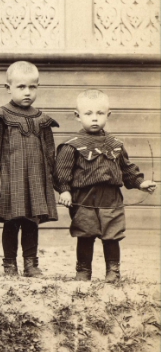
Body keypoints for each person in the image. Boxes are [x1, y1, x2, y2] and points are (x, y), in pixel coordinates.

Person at [54, 89, 156, 283]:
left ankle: (113, 271)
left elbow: (127, 169)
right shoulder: (71, 146)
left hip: (111, 198)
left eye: (100, 113)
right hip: (84, 198)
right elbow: (61, 172)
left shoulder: (115, 144)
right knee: (85, 233)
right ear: (77, 116)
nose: (94, 118)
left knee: (112, 235)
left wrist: (140, 183)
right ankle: (83, 270)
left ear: (108, 114)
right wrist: (64, 190)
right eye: (88, 113)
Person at [0, 61, 59, 277]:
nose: (27, 92)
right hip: (10, 178)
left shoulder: (41, 119)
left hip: (35, 180)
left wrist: (49, 179)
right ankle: (9, 264)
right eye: (21, 87)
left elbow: (49, 152)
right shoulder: (2, 115)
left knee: (31, 222)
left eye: (32, 87)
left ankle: (31, 264)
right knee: (12, 221)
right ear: (8, 88)